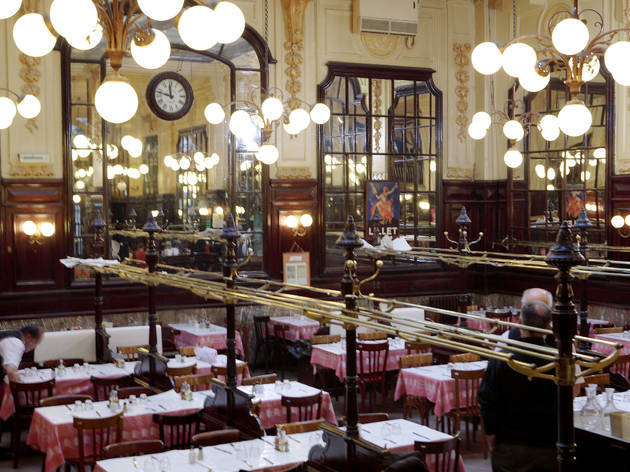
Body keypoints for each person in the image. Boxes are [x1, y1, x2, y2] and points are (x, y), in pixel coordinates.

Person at [478, 301, 558, 472]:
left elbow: (487, 400)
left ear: (519, 323)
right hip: (549, 444)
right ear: (548, 326)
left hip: (509, 444)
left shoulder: (502, 360)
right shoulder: (560, 361)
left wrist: (490, 436)